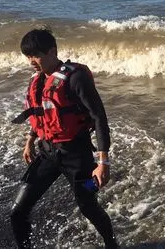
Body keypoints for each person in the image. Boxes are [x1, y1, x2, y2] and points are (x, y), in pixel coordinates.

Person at [10, 28, 117, 249]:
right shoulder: (38, 81)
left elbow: (99, 118)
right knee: (18, 211)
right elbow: (40, 113)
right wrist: (30, 140)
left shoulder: (75, 77)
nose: (31, 61)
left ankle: (112, 245)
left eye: (36, 55)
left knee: (88, 204)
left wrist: (102, 163)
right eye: (28, 56)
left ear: (53, 51)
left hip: (77, 157)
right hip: (48, 152)